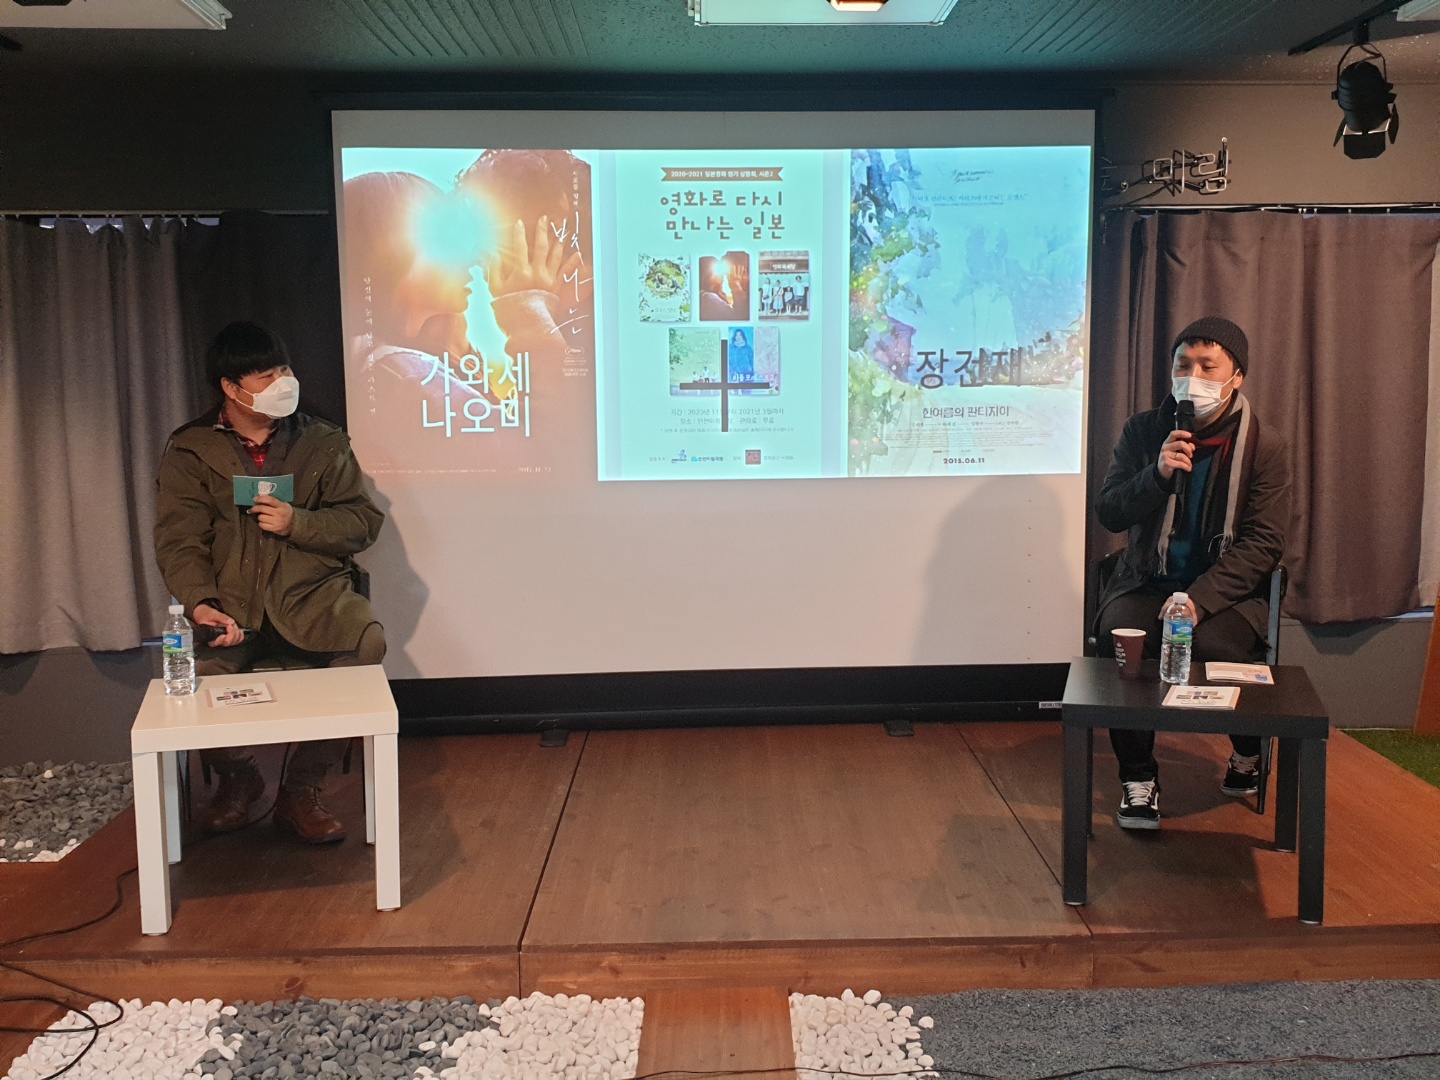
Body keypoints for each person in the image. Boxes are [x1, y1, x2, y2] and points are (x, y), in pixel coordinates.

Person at [154, 322, 386, 843]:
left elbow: (362, 521)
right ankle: (240, 778)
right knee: (191, 679)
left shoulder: (324, 441)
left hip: (315, 600)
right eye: (267, 374)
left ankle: (300, 790)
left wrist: (299, 523)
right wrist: (201, 603)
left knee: (365, 644)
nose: (283, 381)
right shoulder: (191, 450)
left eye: (285, 369)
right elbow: (179, 540)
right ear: (231, 387)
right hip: (233, 609)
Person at [1094, 316, 1291, 830]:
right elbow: (1110, 512)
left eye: (1208, 366)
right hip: (1147, 579)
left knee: (1215, 646)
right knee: (1122, 640)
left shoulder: (1265, 446)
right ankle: (1138, 778)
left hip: (1226, 594)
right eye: (1184, 365)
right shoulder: (1143, 431)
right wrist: (1157, 475)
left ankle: (1247, 751)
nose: (1193, 377)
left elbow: (1264, 543)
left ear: (1236, 377)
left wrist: (1199, 600)